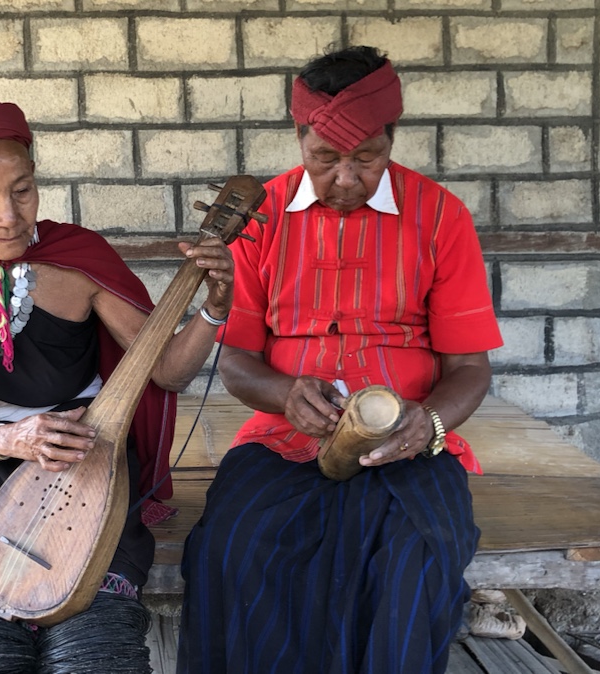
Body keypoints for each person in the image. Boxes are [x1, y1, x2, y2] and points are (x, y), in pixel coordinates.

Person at [0, 82, 234, 674]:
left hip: (87, 467)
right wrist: (9, 439)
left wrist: (215, 305)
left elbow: (168, 370)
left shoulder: (77, 260)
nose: (11, 216)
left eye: (23, 190)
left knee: (94, 647)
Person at [177, 45, 504, 674]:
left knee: (417, 560)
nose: (346, 178)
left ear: (392, 141)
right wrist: (283, 394)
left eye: (367, 158)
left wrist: (428, 423)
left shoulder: (441, 217)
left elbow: (470, 370)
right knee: (231, 552)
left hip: (409, 446)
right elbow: (241, 361)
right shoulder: (261, 218)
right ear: (299, 139)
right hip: (283, 439)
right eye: (325, 158)